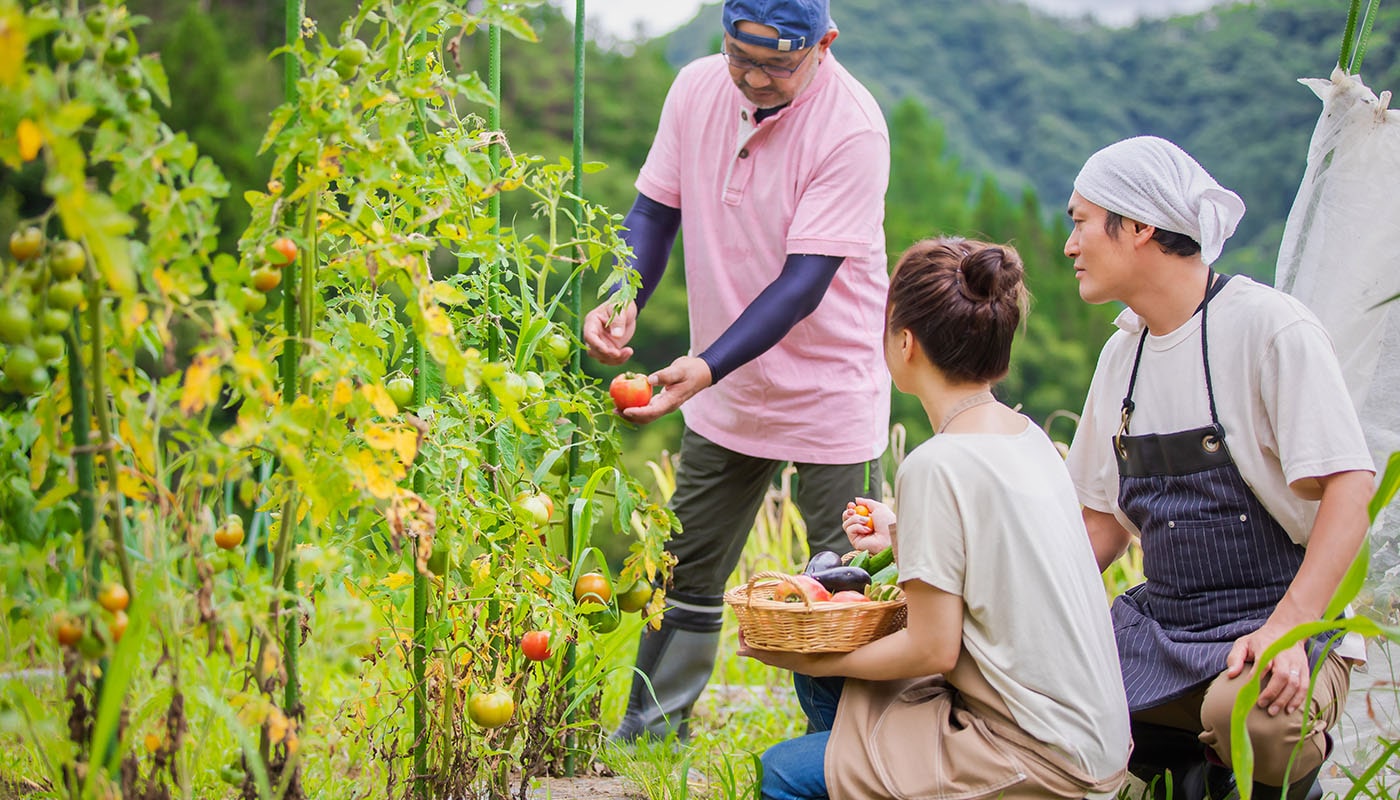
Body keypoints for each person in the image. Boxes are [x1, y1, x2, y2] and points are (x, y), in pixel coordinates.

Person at [583, 0, 892, 742]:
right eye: (739, 57)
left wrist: (707, 363)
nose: (753, 78)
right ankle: (653, 729)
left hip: (829, 386)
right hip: (725, 381)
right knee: (684, 562)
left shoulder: (853, 127)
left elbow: (803, 282)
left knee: (843, 582)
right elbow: (653, 214)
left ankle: (854, 746)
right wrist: (622, 295)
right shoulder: (695, 88)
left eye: (777, 65)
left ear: (825, 44)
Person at [742, 238, 1132, 800]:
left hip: (1037, 756)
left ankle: (855, 773)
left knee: (781, 772)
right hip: (1092, 740)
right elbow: (998, 556)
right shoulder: (1029, 439)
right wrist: (903, 532)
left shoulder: (935, 464)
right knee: (830, 683)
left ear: (905, 343)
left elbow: (933, 650)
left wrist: (799, 652)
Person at [1063, 136, 1376, 799]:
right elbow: (1100, 530)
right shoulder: (1122, 359)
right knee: (1038, 687)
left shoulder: (1269, 328)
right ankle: (1183, 775)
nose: (1070, 245)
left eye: (1081, 221)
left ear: (1140, 225)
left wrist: (1291, 626)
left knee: (1252, 722)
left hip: (1285, 624)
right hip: (1165, 626)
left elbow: (1352, 488)